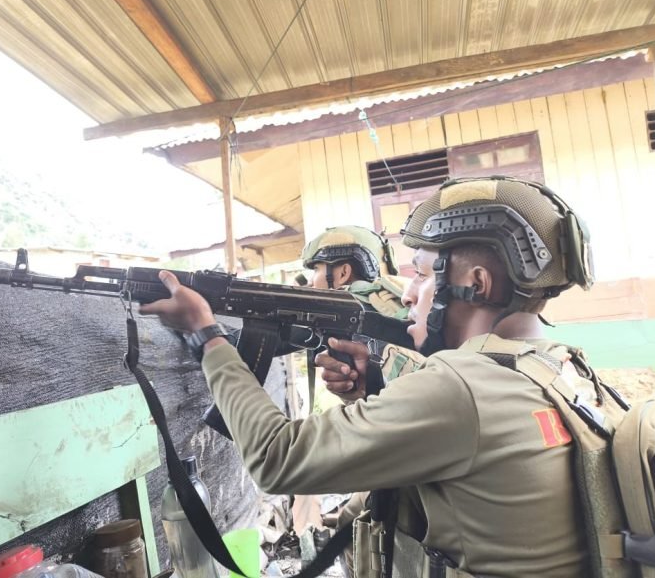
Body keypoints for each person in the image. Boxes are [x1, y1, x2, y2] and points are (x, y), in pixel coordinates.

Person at [140, 175, 595, 576]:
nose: (408, 292)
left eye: (420, 274)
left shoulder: (461, 387)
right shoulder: (559, 366)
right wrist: (376, 387)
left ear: (476, 284)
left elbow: (277, 459)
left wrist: (207, 335)